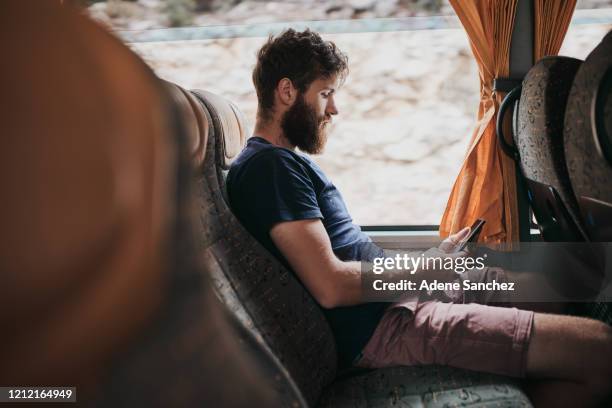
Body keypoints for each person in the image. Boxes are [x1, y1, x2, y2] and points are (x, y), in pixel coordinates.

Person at [226, 29, 612, 406]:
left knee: (546, 293)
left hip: (398, 300)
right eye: (325, 94)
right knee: (599, 349)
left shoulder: (280, 164)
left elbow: (349, 257)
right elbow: (331, 284)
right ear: (287, 91)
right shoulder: (269, 168)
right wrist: (425, 270)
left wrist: (432, 259)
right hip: (382, 327)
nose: (334, 109)